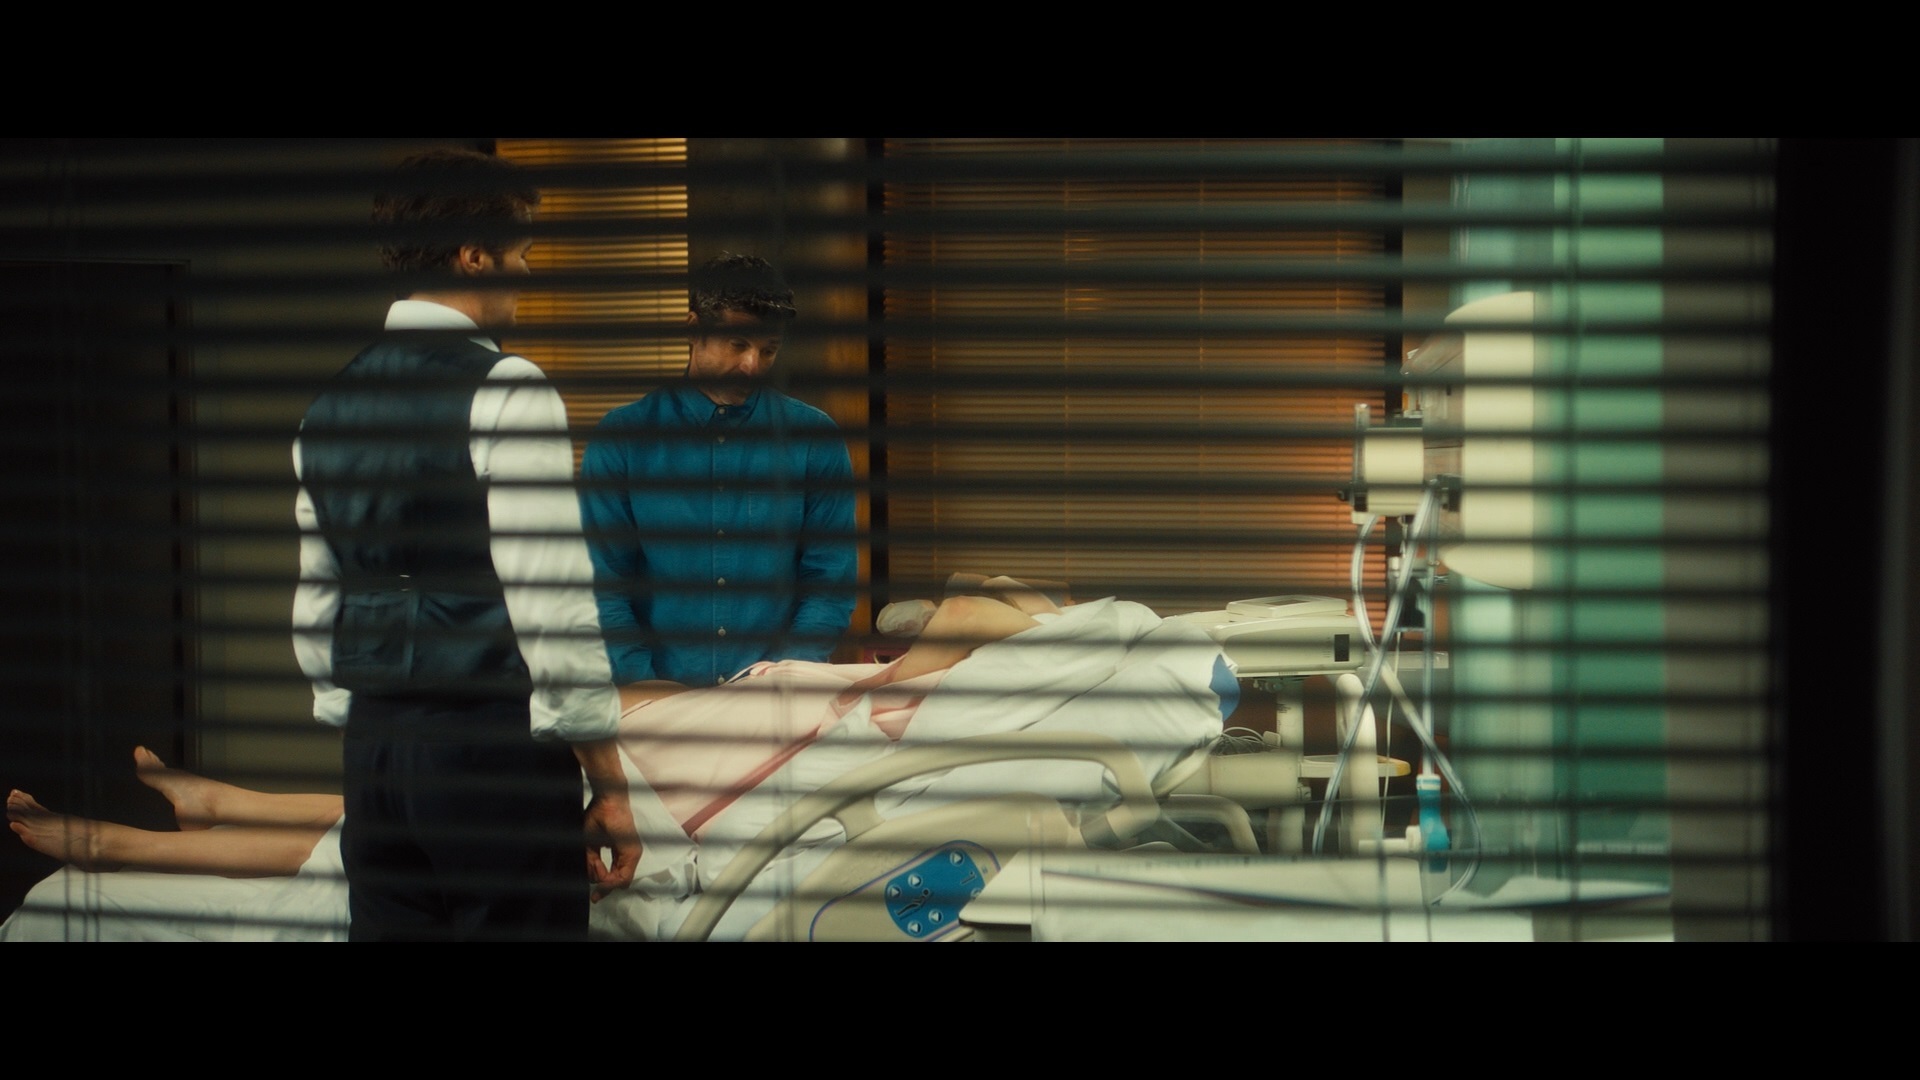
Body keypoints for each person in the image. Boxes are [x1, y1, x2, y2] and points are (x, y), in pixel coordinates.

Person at [12, 581, 1070, 881]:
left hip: (695, 784)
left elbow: (967, 611)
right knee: (427, 798)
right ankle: (219, 801)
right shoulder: (904, 684)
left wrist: (1049, 613)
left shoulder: (934, 701)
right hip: (683, 730)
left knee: (411, 833)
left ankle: (125, 847)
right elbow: (959, 605)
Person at [291, 148, 638, 940]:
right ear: (475, 254)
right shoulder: (508, 388)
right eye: (522, 252)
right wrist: (610, 784)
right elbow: (553, 609)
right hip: (489, 757)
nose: (526, 272)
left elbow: (316, 608)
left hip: (375, 756)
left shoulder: (327, 408)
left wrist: (368, 725)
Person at [579, 254, 857, 688]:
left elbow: (829, 582)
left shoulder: (813, 439)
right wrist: (644, 687)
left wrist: (785, 678)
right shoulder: (623, 438)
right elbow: (604, 585)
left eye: (768, 350)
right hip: (655, 697)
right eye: (737, 345)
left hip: (776, 698)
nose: (753, 366)